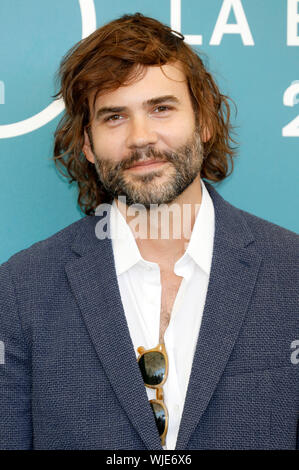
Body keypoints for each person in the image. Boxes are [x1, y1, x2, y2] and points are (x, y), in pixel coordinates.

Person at [0, 13, 298, 450]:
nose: (141, 138)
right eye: (114, 116)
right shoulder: (21, 289)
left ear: (206, 121)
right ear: (87, 143)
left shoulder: (291, 273)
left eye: (161, 108)